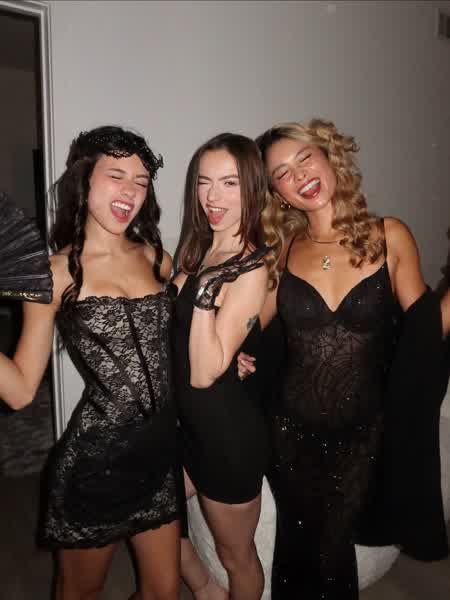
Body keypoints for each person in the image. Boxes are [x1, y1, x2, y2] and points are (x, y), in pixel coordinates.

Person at [238, 118, 431, 599]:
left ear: (328, 156)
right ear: (278, 194)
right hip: (290, 431)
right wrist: (238, 352)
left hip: (361, 435)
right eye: (282, 173)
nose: (299, 174)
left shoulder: (390, 235)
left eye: (305, 157)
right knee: (298, 549)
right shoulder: (283, 251)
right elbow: (251, 326)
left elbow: (424, 329)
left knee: (331, 550)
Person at [0, 126, 181, 600]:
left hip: (159, 453)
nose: (130, 191)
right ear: (84, 180)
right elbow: (20, 390)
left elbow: (184, 340)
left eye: (141, 181)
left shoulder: (158, 258)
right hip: (97, 461)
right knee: (80, 592)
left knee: (164, 591)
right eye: (116, 175)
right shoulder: (55, 274)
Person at [172, 133, 275, 600]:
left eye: (229, 183)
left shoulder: (249, 267)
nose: (212, 197)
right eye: (204, 182)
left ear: (252, 188)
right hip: (187, 425)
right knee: (148, 510)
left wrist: (207, 291)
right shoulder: (200, 250)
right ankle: (204, 588)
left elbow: (203, 372)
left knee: (238, 557)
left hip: (226, 437)